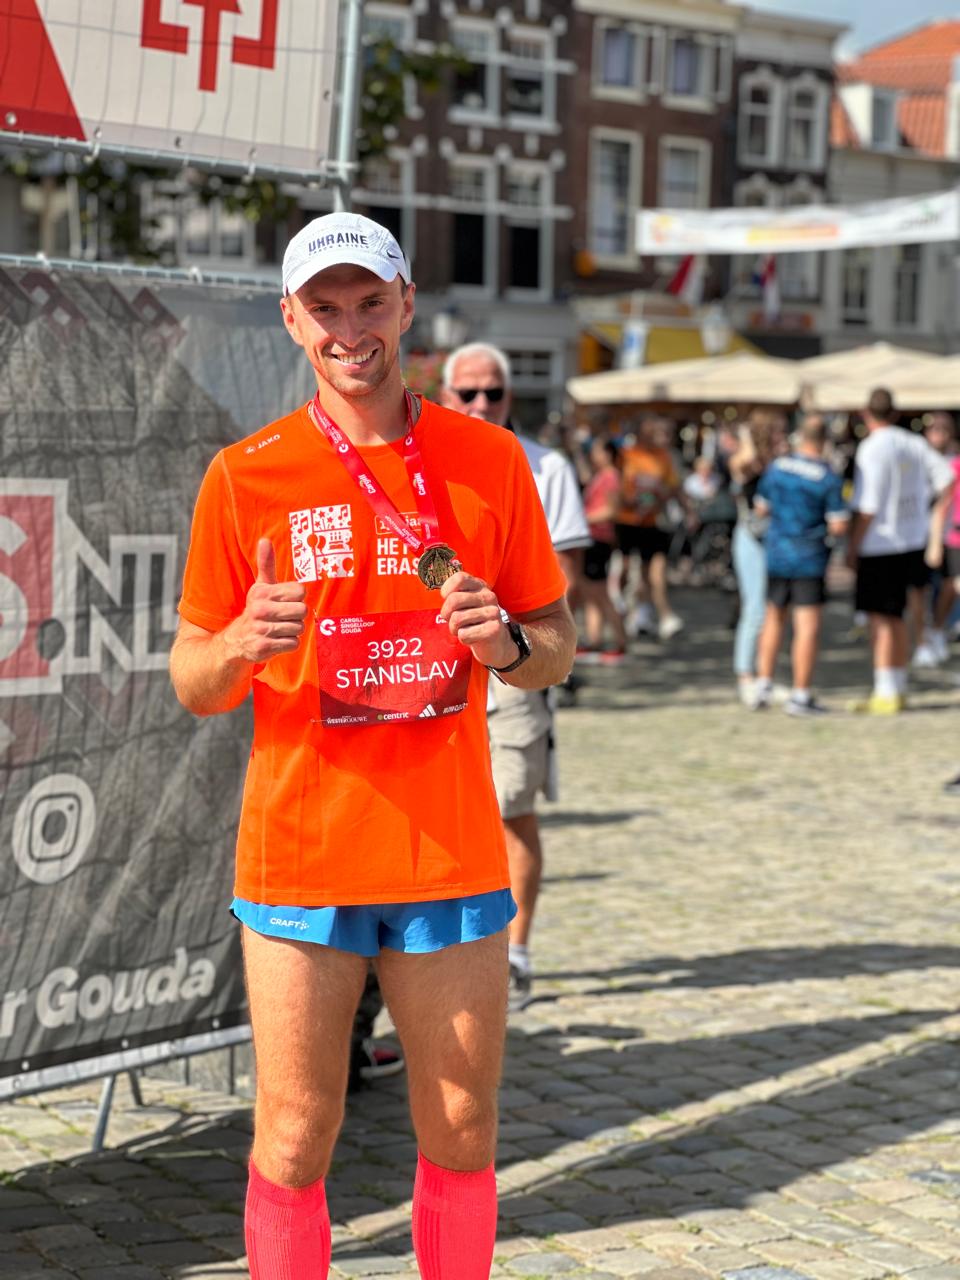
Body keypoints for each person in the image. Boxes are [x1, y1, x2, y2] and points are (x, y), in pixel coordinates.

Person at [169, 212, 576, 1280]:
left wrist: (511, 641)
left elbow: (557, 649)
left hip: (448, 853)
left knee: (463, 1129)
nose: (350, 327)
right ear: (291, 320)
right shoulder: (245, 475)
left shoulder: (489, 462)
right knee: (298, 1135)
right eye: (325, 306)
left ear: (405, 303)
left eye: (369, 301)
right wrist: (242, 644)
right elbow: (191, 678)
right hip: (302, 854)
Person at [440, 342, 590, 1013]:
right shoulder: (423, 460)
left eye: (492, 394)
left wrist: (520, 645)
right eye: (467, 394)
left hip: (512, 662)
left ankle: (518, 953)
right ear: (446, 395)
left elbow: (564, 582)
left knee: (511, 805)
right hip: (429, 667)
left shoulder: (544, 465)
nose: (480, 405)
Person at [845, 388, 954, 715]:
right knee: (899, 615)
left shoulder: (872, 447)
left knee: (880, 617)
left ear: (866, 413)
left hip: (880, 542)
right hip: (911, 539)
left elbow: (868, 506)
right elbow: (947, 480)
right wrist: (932, 521)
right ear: (894, 413)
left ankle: (884, 688)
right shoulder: (913, 442)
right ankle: (897, 683)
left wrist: (853, 546)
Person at [752, 415, 848, 715]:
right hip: (809, 557)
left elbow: (761, 506)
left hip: (776, 552)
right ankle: (800, 695)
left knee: (772, 618)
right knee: (806, 627)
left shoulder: (777, 467)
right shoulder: (827, 477)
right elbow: (838, 525)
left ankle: (762, 685)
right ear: (824, 441)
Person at [728, 410, 787, 707]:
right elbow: (743, 464)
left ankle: (765, 677)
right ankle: (745, 677)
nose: (784, 437)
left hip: (774, 538)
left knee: (772, 610)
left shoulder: (778, 462)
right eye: (778, 432)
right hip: (750, 539)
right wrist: (748, 437)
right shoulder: (746, 460)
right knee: (755, 609)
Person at [614, 416, 685, 640]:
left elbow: (672, 487)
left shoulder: (664, 458)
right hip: (626, 520)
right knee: (625, 567)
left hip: (652, 521)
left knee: (651, 570)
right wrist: (629, 500)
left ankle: (649, 614)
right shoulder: (627, 455)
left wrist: (666, 499)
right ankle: (621, 604)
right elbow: (616, 484)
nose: (660, 437)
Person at [914, 412, 959, 667]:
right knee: (920, 589)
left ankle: (937, 629)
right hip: (921, 534)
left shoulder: (955, 461)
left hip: (950, 534)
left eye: (943, 429)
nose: (938, 434)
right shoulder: (917, 459)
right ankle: (922, 640)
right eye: (934, 429)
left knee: (949, 586)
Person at [579, 436, 628, 661]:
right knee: (591, 594)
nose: (593, 454)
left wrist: (582, 518)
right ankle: (595, 639)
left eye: (597, 450)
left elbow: (612, 510)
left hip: (600, 538)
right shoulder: (600, 475)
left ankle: (620, 640)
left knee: (601, 594)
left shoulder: (611, 477)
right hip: (590, 538)